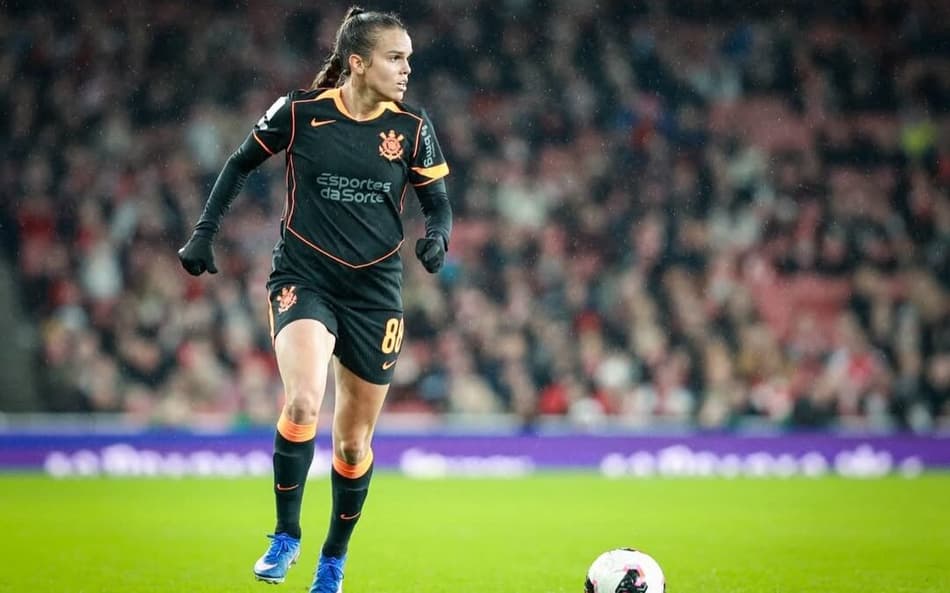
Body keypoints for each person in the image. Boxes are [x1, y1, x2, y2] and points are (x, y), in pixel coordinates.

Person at [176, 7, 451, 592]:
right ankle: (285, 535)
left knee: (353, 444)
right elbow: (239, 163)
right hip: (306, 278)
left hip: (376, 294)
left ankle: (333, 557)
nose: (407, 69)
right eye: (395, 57)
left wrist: (437, 236)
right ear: (358, 62)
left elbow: (438, 201)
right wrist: (204, 230)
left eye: (408, 59)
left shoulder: (412, 127)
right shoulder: (301, 112)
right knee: (302, 402)